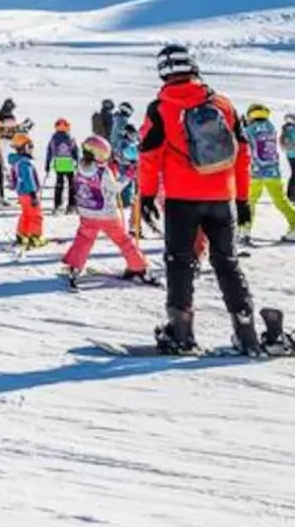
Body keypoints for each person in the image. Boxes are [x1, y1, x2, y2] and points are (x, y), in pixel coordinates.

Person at [138, 44, 262, 355]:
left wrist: (148, 194)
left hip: (181, 198)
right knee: (227, 262)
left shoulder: (160, 108)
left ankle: (181, 333)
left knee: (179, 263)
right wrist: (244, 197)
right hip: (222, 196)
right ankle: (246, 332)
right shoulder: (222, 103)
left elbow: (149, 155)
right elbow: (243, 153)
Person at [61, 136, 155, 288]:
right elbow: (115, 188)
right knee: (123, 241)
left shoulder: (78, 166)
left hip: (87, 212)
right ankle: (138, 267)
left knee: (84, 239)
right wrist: (129, 175)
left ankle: (74, 266)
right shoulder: (104, 172)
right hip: (106, 215)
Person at [242, 103, 295, 243]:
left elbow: (244, 142)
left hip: (256, 172)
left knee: (250, 201)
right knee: (280, 201)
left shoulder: (250, 129)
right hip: (273, 171)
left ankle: (244, 229)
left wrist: (243, 127)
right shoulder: (270, 127)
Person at [7, 131, 46, 250]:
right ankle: (35, 236)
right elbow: (29, 179)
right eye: (30, 147)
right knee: (36, 215)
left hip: (22, 194)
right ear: (23, 148)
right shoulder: (25, 163)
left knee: (26, 214)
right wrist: (33, 194)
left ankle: (22, 234)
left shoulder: (17, 161)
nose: (31, 150)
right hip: (29, 193)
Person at [44, 119, 79, 214]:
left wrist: (47, 165)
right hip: (69, 164)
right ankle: (71, 205)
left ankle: (57, 205)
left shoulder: (53, 139)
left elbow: (49, 153)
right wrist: (78, 163)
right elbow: (76, 152)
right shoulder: (70, 138)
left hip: (59, 164)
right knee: (72, 185)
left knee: (59, 184)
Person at [281, 112, 295, 202]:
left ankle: (291, 195)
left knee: (294, 174)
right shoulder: (292, 129)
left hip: (290, 155)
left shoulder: (285, 129)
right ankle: (291, 195)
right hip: (293, 154)